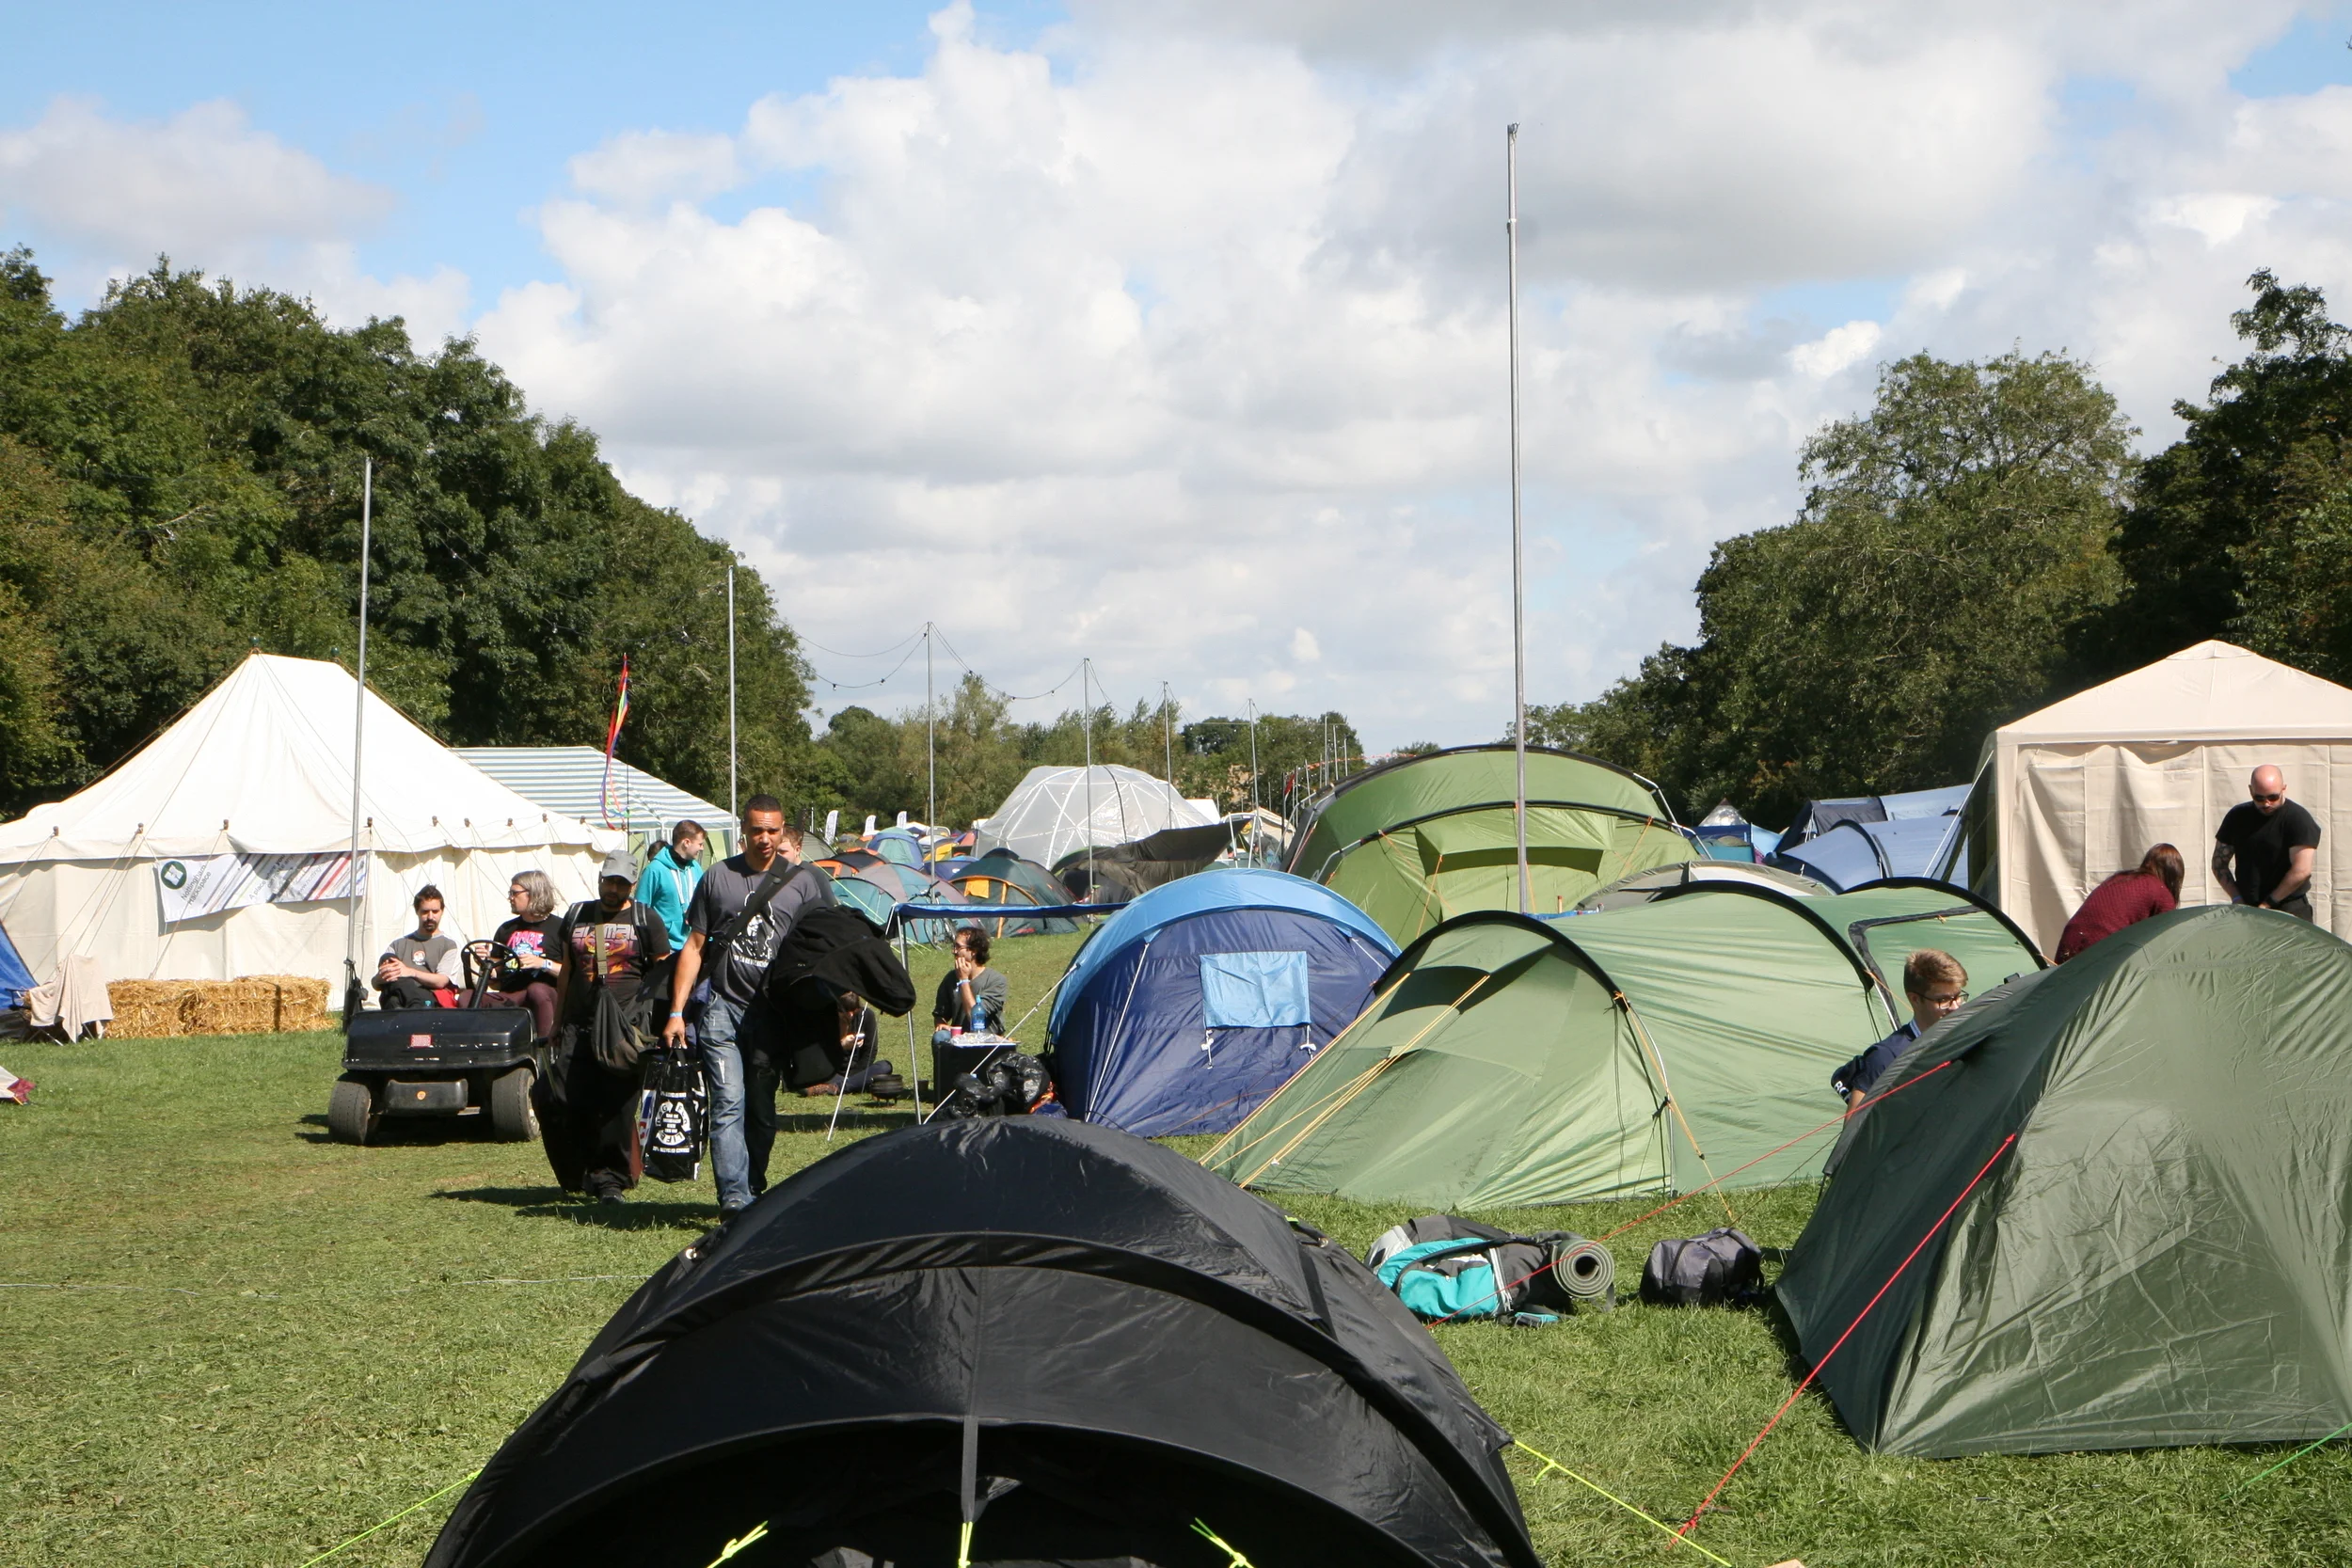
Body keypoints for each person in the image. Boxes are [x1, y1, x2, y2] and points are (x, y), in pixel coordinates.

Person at [661, 797, 835, 1214]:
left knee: (761, 1108)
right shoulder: (718, 877)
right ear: (744, 831)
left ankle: (754, 1181)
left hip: (773, 1012)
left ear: (784, 832)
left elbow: (828, 941)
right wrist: (675, 1012)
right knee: (728, 1102)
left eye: (773, 831)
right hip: (723, 1007)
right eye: (757, 830)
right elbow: (695, 946)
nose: (764, 838)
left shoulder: (805, 881)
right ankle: (734, 1199)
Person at [539, 850, 673, 1203]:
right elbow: (567, 970)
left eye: (621, 883)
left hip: (623, 1030)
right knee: (569, 1098)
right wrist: (557, 1020)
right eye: (608, 881)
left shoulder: (647, 919)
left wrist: (658, 1022)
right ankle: (584, 1172)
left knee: (617, 1107)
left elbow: (662, 973)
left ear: (632, 884)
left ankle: (612, 1179)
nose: (612, 889)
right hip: (578, 1025)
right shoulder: (576, 914)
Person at [1832, 948, 1968, 1111]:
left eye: (1958, 996)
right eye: (1944, 1000)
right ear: (1915, 999)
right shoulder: (1886, 1057)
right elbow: (1855, 1130)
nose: (1955, 1007)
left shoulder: (1968, 1038)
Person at [2215, 765, 2321, 922]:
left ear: (2283, 789)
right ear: (2250, 790)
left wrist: (2267, 904)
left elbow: (2302, 871)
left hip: (2289, 910)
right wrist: (2237, 898)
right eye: (2259, 798)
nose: (2266, 803)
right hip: (2248, 910)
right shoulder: (2237, 817)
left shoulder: (2297, 819)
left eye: (2273, 797)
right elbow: (2218, 864)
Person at [473, 870, 565, 1040]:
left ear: (534, 893)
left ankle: (545, 1048)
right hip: (510, 994)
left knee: (536, 990)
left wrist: (542, 963)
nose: (510, 898)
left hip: (548, 993)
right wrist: (488, 965)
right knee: (466, 997)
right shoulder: (506, 929)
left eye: (514, 893)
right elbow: (495, 980)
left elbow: (571, 972)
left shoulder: (560, 928)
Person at [2055, 845, 2185, 962]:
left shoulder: (2121, 878)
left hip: (2071, 939)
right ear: (2174, 876)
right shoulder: (2161, 893)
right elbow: (2167, 943)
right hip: (2100, 947)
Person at [373, 885, 464, 1009]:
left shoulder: (449, 945)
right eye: (425, 912)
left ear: (442, 911)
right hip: (398, 995)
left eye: (435, 911)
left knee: (399, 990)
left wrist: (410, 972)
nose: (430, 917)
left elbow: (441, 981)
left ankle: (412, 1010)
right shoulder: (398, 944)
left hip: (428, 998)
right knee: (389, 964)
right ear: (417, 911)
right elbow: (375, 984)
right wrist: (385, 975)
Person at [636, 820, 707, 950]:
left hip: (693, 948)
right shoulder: (654, 870)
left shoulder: (695, 867)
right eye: (700, 844)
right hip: (664, 949)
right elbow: (639, 911)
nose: (702, 848)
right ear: (686, 843)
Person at [932, 927, 1009, 1037]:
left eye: (958, 947)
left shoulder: (996, 980)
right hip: (958, 1041)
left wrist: (964, 980)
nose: (953, 951)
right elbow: (940, 1014)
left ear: (973, 951)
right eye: (954, 946)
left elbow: (975, 1017)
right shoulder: (950, 978)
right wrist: (941, 1024)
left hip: (986, 1042)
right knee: (940, 1037)